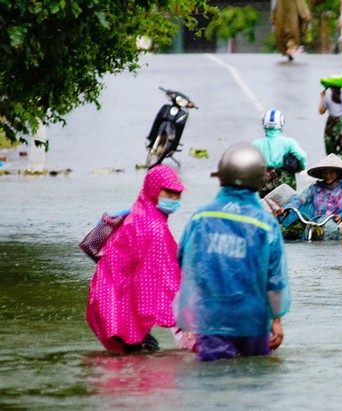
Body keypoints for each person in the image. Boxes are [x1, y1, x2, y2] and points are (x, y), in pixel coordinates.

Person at [173, 143, 290, 361]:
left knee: (215, 381)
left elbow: (184, 261)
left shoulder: (201, 218)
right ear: (259, 178)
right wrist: (276, 320)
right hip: (253, 318)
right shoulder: (265, 224)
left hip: (211, 317)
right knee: (253, 378)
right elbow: (275, 278)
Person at [86, 165, 185, 354]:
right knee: (141, 363)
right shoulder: (153, 227)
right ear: (155, 190)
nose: (173, 198)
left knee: (123, 364)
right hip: (119, 309)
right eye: (169, 192)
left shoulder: (137, 214)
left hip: (109, 302)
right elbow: (160, 279)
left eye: (177, 194)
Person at [278, 153, 342, 240]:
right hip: (317, 226)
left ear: (338, 173)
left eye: (331, 172)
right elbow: (299, 201)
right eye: (325, 172)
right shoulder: (314, 188)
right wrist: (286, 208)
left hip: (337, 228)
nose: (328, 175)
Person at [252, 109, 307, 197]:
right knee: (288, 205)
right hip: (285, 179)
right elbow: (301, 156)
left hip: (264, 179)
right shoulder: (289, 142)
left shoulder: (256, 144)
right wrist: (302, 168)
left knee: (264, 204)